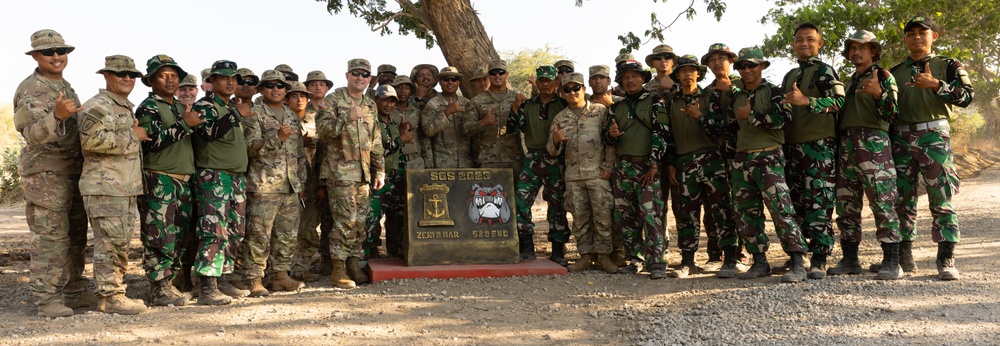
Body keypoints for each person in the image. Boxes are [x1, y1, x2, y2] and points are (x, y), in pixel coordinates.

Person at [705, 47, 809, 280]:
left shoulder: (773, 91)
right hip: (742, 160)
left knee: (781, 210)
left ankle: (797, 262)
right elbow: (731, 129)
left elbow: (785, 120)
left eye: (752, 65)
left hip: (768, 156)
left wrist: (752, 116)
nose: (747, 70)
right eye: (742, 66)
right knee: (746, 214)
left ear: (762, 66)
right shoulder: (736, 95)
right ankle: (760, 262)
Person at [14, 29, 97, 317]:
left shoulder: (64, 86)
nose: (57, 56)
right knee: (51, 238)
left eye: (61, 51)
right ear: (35, 56)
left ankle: (73, 290)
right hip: (46, 175)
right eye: (48, 52)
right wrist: (57, 116)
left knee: (76, 235)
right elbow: (32, 134)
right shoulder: (32, 89)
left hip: (73, 171)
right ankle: (47, 298)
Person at [889, 16, 973, 280]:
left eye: (922, 32)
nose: (916, 37)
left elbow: (967, 97)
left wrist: (937, 85)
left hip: (934, 136)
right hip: (901, 138)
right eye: (910, 33)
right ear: (904, 39)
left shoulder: (948, 65)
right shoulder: (894, 71)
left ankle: (945, 258)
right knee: (903, 199)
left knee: (941, 197)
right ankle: (905, 257)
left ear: (933, 36)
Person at [824, 31, 903, 280]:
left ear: (873, 52)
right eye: (853, 48)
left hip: (874, 143)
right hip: (847, 145)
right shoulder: (848, 82)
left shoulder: (883, 76)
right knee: (846, 205)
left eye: (863, 48)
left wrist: (879, 94)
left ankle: (892, 261)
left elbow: (893, 113)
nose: (857, 52)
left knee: (882, 202)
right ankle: (850, 260)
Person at [79, 55, 149, 314]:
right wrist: (134, 135)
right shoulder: (98, 106)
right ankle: (111, 297)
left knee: (117, 241)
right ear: (106, 76)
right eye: (121, 74)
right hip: (105, 187)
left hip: (121, 186)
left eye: (132, 75)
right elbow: (91, 141)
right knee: (111, 243)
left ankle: (106, 293)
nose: (128, 78)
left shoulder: (122, 106)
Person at [659, 55, 736, 279]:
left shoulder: (710, 97)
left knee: (721, 210)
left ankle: (729, 259)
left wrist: (700, 116)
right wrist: (671, 164)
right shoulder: (671, 102)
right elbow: (669, 136)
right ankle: (688, 262)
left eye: (692, 70)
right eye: (683, 71)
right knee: (687, 213)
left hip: (711, 159)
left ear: (698, 74)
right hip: (684, 162)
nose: (688, 74)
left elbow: (722, 129)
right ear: (677, 75)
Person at [135, 54, 203, 306]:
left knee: (180, 235)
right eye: (163, 75)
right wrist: (184, 125)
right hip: (160, 178)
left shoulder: (178, 107)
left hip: (183, 181)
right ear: (151, 79)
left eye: (174, 75)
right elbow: (151, 143)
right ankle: (159, 288)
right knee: (158, 235)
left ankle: (172, 282)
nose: (170, 80)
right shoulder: (148, 107)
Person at [780, 22, 845, 281]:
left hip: (819, 147)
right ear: (793, 44)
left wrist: (809, 101)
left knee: (819, 202)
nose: (804, 43)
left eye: (810, 39)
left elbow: (839, 101)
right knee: (796, 203)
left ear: (820, 44)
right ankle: (799, 254)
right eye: (799, 39)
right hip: (792, 148)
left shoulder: (824, 70)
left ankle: (820, 257)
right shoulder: (790, 75)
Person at [317, 58, 385, 289]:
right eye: (356, 73)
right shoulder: (333, 100)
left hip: (363, 173)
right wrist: (348, 117)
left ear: (369, 79)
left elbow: (376, 139)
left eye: (365, 74)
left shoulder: (370, 104)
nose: (360, 77)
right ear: (347, 76)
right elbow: (323, 132)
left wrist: (379, 170)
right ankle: (338, 268)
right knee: (344, 221)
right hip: (341, 172)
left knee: (360, 222)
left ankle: (354, 264)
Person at [190, 60, 254, 304]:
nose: (230, 82)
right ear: (212, 82)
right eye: (224, 78)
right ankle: (207, 286)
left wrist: (234, 112)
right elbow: (208, 132)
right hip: (214, 176)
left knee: (235, 230)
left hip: (235, 177)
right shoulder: (205, 105)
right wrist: (237, 114)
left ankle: (223, 278)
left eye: (234, 78)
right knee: (213, 230)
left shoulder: (229, 107)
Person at [242, 71, 309, 296]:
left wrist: (300, 184)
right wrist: (276, 139)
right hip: (264, 186)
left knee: (287, 234)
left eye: (280, 85)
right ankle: (254, 278)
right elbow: (249, 147)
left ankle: (280, 275)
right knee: (259, 235)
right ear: (261, 90)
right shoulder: (255, 114)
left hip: (290, 186)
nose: (275, 89)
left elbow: (299, 153)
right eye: (270, 86)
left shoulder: (291, 115)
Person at [603, 60, 669, 279]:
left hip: (646, 165)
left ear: (643, 78)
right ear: (620, 81)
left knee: (650, 215)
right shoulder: (615, 107)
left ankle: (657, 261)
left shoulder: (654, 101)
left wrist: (653, 164)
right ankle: (636, 258)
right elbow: (607, 138)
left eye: (634, 76)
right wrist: (610, 135)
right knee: (625, 216)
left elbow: (661, 133)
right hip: (623, 168)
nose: (630, 80)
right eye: (625, 77)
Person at [547, 72, 617, 274]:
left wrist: (608, 166)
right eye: (567, 89)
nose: (572, 92)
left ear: (584, 90)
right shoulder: (560, 118)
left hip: (597, 174)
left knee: (603, 217)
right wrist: (556, 140)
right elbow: (551, 150)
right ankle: (585, 256)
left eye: (576, 88)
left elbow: (610, 142)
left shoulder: (600, 111)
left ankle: (604, 257)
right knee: (580, 219)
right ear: (563, 92)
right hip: (574, 177)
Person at [507, 65, 570, 265]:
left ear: (556, 83)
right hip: (532, 158)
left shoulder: (563, 104)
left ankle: (558, 249)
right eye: (541, 80)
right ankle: (526, 246)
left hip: (556, 159)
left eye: (549, 81)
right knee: (520, 200)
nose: (545, 84)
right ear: (537, 82)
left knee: (557, 204)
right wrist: (516, 107)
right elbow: (511, 128)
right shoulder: (528, 105)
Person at [700, 43, 746, 271]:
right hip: (718, 157)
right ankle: (728, 255)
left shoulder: (744, 83)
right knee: (720, 207)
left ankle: (749, 254)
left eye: (722, 58)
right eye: (712, 59)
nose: (717, 62)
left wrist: (732, 90)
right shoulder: (707, 92)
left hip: (746, 153)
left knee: (746, 205)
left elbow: (755, 107)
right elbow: (710, 126)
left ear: (731, 61)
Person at [291, 70, 336, 279]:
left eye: (322, 84)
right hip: (293, 179)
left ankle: (316, 265)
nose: (318, 87)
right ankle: (289, 268)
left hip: (318, 177)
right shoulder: (291, 114)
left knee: (321, 223)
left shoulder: (327, 111)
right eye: (313, 84)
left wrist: (321, 184)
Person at [364, 85, 414, 259]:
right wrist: (402, 140)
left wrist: (400, 135)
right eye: (384, 100)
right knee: (372, 217)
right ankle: (366, 257)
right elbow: (377, 150)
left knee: (398, 217)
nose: (388, 104)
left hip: (396, 177)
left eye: (392, 101)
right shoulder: (372, 123)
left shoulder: (391, 123)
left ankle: (395, 253)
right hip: (380, 178)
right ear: (376, 100)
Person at [467, 60, 523, 174]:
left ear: (506, 75)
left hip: (514, 159)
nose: (497, 75)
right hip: (488, 161)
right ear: (489, 76)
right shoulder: (476, 102)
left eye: (501, 72)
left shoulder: (517, 99)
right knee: (488, 192)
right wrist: (482, 123)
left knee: (515, 192)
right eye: (493, 73)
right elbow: (465, 129)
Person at [421, 66, 476, 168]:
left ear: (458, 82)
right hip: (442, 163)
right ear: (440, 82)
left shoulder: (467, 103)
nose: (450, 82)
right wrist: (446, 113)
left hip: (466, 162)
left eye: (454, 79)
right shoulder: (432, 104)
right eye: (446, 79)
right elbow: (427, 131)